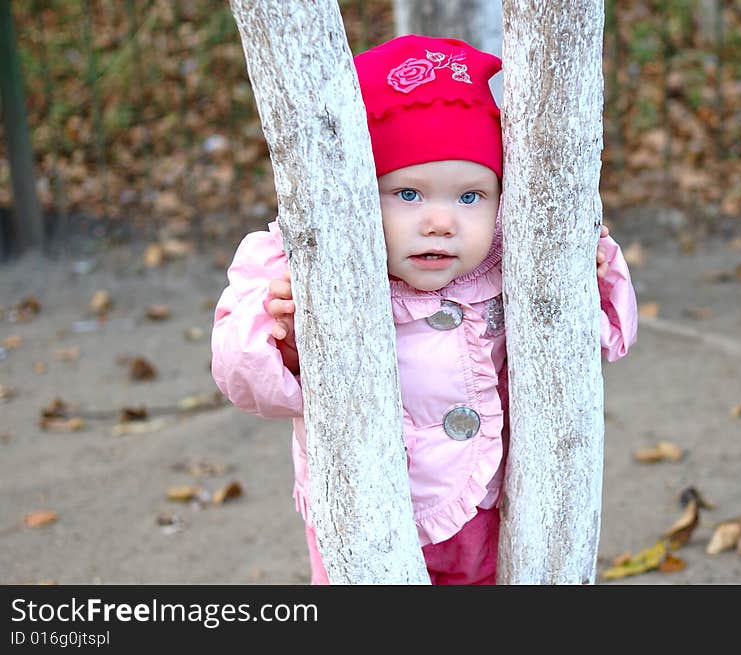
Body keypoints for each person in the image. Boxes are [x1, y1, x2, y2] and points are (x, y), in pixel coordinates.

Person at [211, 34, 638, 585]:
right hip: (369, 514)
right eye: (408, 194)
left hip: (493, 506)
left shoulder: (516, 260)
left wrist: (590, 277)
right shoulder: (303, 265)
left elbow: (606, 339)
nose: (441, 221)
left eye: (469, 196)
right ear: (360, 194)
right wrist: (287, 336)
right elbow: (246, 383)